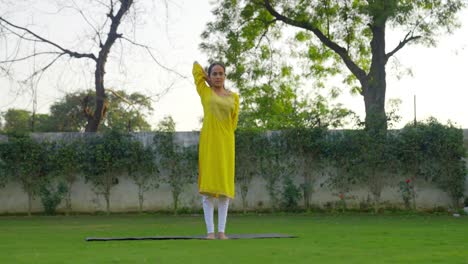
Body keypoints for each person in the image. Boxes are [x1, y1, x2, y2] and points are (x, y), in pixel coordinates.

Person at [192, 61, 239, 240]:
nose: (218, 76)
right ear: (210, 76)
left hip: (226, 142)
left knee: (224, 190)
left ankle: (222, 231)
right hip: (209, 141)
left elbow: (233, 122)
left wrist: (226, 136)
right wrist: (206, 78)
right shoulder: (205, 92)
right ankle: (210, 232)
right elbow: (195, 68)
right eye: (215, 74)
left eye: (221, 73)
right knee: (208, 190)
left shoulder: (234, 97)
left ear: (225, 76)